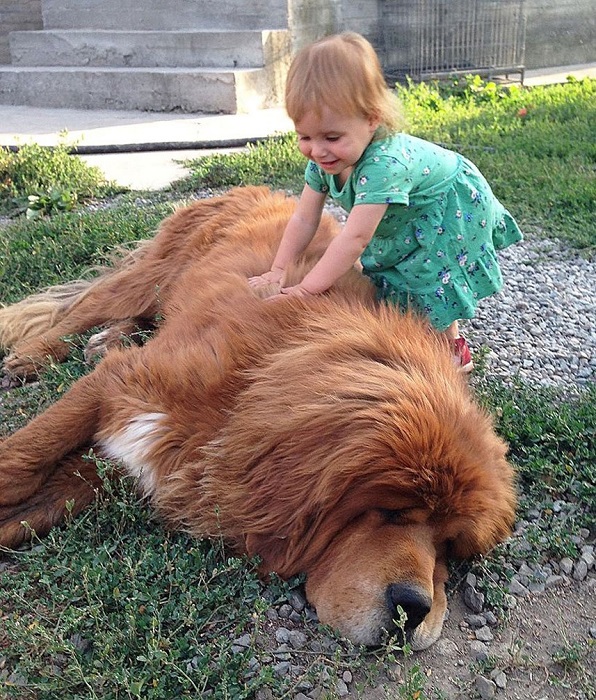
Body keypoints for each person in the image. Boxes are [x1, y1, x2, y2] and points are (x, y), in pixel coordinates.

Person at [248, 32, 522, 371]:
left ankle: (451, 347)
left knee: (428, 275)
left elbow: (355, 239)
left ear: (372, 119)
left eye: (332, 137)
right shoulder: (324, 161)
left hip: (448, 205)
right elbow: (305, 219)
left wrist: (307, 289)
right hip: (408, 214)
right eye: (305, 137)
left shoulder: (384, 166)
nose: (317, 150)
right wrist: (279, 268)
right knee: (391, 273)